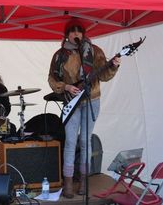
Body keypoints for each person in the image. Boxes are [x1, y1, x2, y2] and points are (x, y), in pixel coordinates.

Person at [48, 21, 121, 198]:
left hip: (91, 100)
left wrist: (114, 65)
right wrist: (65, 87)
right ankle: (68, 183)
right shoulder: (60, 55)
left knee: (85, 141)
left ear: (83, 33)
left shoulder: (94, 51)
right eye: (72, 32)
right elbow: (52, 78)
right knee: (71, 142)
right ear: (67, 35)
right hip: (71, 102)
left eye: (79, 31)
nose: (76, 34)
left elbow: (103, 76)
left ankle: (83, 181)